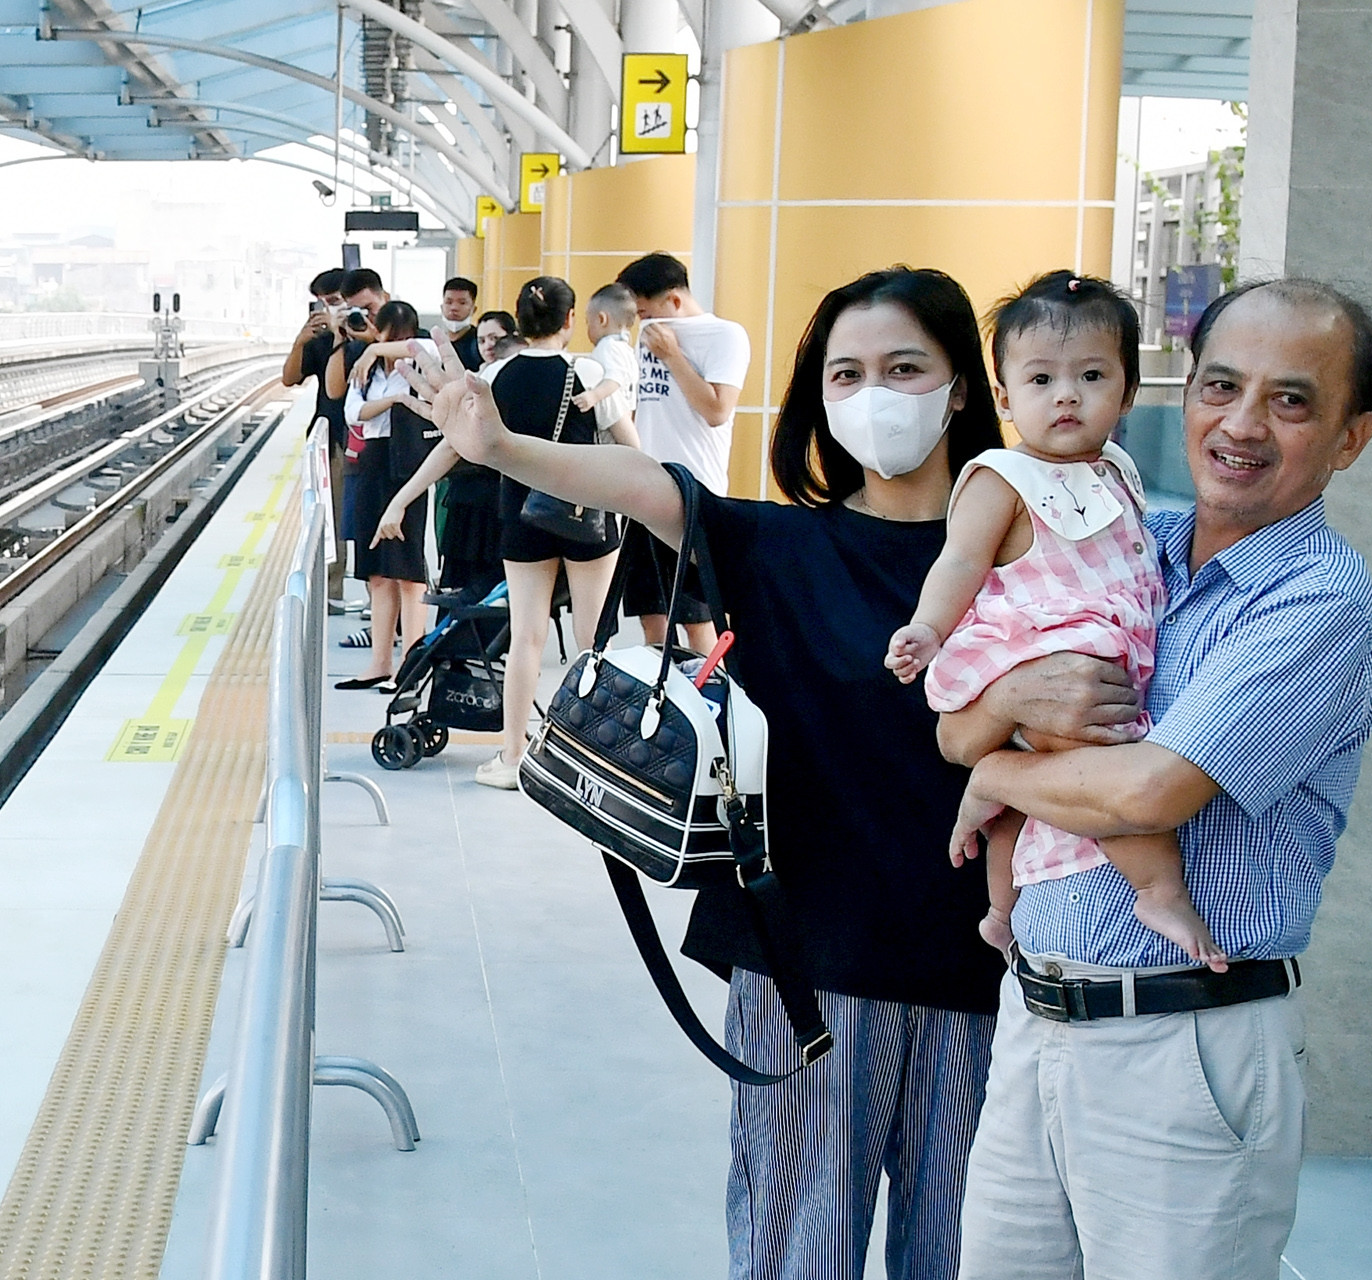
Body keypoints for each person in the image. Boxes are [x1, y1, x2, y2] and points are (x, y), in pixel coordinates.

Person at [410, 266, 1007, 1279]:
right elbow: (648, 489)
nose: (875, 393)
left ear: (960, 389)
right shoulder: (778, 542)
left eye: (905, 367)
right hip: (811, 972)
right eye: (847, 372)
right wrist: (501, 446)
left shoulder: (1029, 555)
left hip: (992, 968)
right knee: (795, 1246)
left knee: (971, 1252)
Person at [942, 279, 1372, 1280]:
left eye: (1291, 400)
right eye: (1220, 386)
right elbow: (951, 723)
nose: (1241, 423)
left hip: (1183, 1043)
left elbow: (1146, 793)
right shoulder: (1134, 544)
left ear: (1352, 437)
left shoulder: (1319, 601)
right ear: (1182, 397)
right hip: (1037, 1019)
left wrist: (999, 760)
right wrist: (1000, 717)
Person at [885, 271, 1223, 969]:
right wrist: (927, 628)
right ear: (1005, 397)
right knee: (1103, 770)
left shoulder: (1121, 471)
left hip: (1099, 654)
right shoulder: (1003, 477)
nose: (1067, 394)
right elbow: (959, 564)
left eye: (1092, 376)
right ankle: (1159, 889)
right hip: (1047, 656)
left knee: (1033, 800)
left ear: (1128, 391)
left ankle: (1001, 910)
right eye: (1041, 380)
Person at [468, 276, 628, 791]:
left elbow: (478, 445)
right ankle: (595, 756)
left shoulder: (495, 374)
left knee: (527, 635)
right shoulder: (588, 371)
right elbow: (628, 442)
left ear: (519, 322)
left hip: (521, 514)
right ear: (568, 319)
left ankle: (514, 755)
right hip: (588, 511)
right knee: (592, 640)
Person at [615, 251, 751, 649]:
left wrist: (673, 356)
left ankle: (708, 706)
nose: (643, 321)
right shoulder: (648, 337)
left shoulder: (725, 336)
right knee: (651, 618)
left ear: (674, 300)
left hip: (695, 491)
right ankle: (659, 705)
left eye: (646, 311)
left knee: (697, 618)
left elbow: (716, 410)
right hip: (645, 488)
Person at [337, 300, 432, 688]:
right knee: (377, 572)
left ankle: (411, 662)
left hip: (408, 466)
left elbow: (417, 351)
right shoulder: (366, 369)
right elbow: (353, 413)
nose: (392, 342)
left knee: (408, 572)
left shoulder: (420, 361)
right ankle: (380, 662)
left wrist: (377, 348)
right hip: (372, 465)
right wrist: (394, 399)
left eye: (398, 336)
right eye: (385, 335)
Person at [280, 267, 356, 601]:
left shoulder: (374, 334)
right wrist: (301, 341)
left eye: (336, 300)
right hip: (332, 436)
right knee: (332, 516)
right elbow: (289, 378)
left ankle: (383, 599)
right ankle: (331, 590)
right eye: (323, 302)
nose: (330, 308)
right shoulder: (321, 341)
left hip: (375, 439)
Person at [575, 282, 639, 432]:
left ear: (602, 319)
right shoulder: (627, 349)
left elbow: (615, 379)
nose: (588, 328)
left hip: (613, 421)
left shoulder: (608, 347)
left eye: (588, 322)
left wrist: (593, 396)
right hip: (628, 416)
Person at [436, 276, 483, 370]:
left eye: (462, 303)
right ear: (442, 307)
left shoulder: (480, 343)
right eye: (449, 302)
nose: (454, 308)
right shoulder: (434, 342)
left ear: (473, 309)